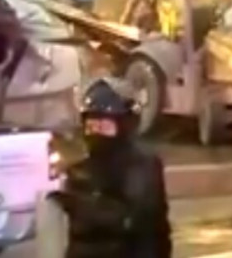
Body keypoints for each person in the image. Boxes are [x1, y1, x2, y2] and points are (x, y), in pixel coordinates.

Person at [46, 76, 172, 258]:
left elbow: (129, 219)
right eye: (91, 125)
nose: (96, 132)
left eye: (104, 125)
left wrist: (77, 204)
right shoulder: (81, 168)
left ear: (123, 125)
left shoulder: (142, 166)